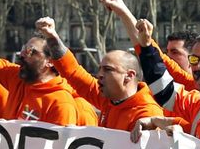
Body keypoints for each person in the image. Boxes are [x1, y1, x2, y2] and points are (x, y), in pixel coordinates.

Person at [35, 17, 171, 137]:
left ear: (129, 76)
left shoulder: (147, 113)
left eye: (108, 70)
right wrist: (51, 37)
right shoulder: (110, 98)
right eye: (100, 69)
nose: (99, 75)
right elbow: (72, 72)